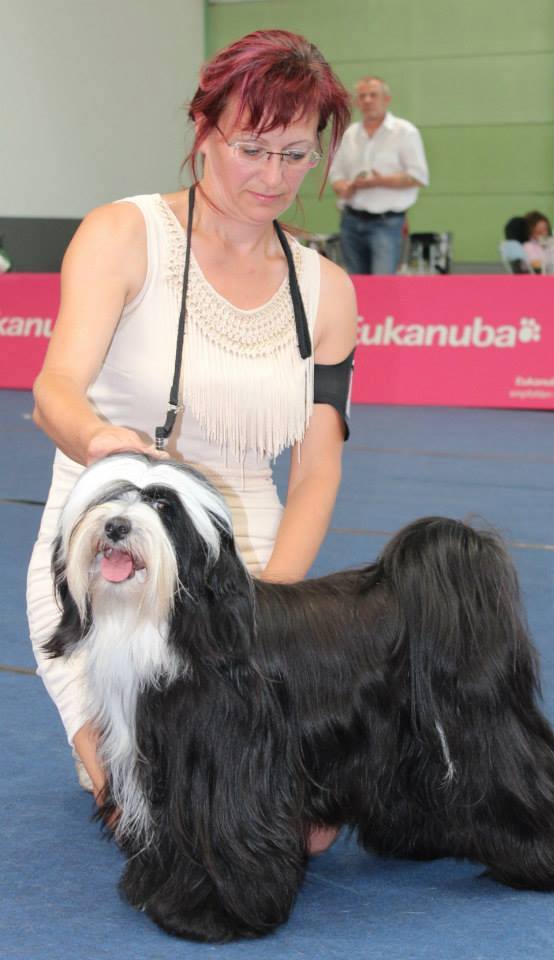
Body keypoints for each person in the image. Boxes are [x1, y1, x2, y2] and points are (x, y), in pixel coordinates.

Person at [26, 30, 355, 853]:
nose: (273, 176)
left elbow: (318, 468)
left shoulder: (329, 292)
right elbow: (53, 389)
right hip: (113, 558)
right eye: (252, 148)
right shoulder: (122, 233)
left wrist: (273, 602)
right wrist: (101, 440)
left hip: (247, 561)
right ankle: (102, 742)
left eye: (295, 155)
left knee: (301, 834)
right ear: (204, 129)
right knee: (170, 820)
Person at [329, 76, 429, 274]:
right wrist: (344, 188)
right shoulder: (348, 135)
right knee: (354, 285)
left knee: (383, 285)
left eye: (373, 95)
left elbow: (419, 177)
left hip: (387, 223)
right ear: (356, 102)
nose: (367, 100)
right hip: (350, 220)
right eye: (362, 96)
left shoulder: (405, 132)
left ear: (386, 99)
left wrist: (380, 181)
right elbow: (335, 175)